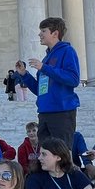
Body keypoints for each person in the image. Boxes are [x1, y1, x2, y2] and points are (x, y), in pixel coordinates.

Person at [15, 17, 81, 151]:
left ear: (55, 33)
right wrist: (24, 75)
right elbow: (41, 90)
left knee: (61, 155)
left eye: (43, 31)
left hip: (61, 112)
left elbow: (73, 79)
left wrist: (44, 68)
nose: (40, 34)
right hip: (44, 112)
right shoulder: (46, 58)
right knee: (45, 155)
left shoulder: (67, 51)